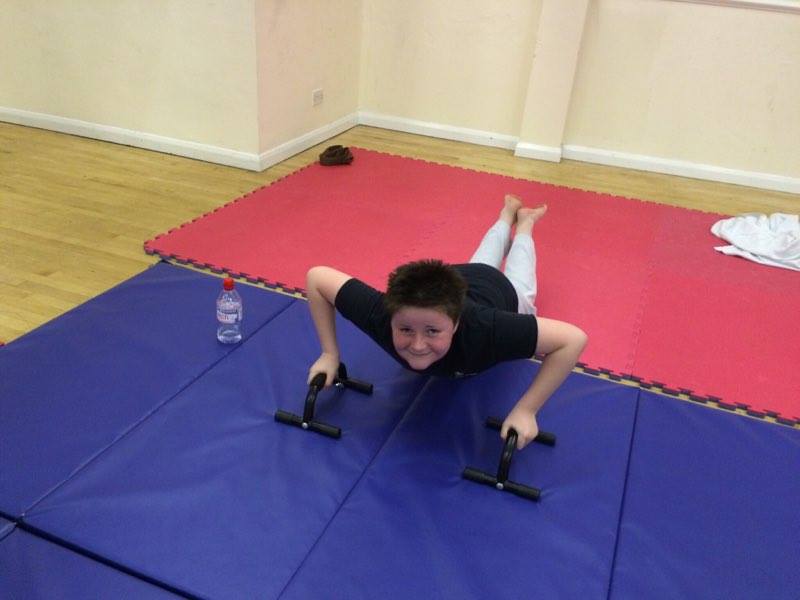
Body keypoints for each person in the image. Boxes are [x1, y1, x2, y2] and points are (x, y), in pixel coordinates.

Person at [305, 194, 588, 450]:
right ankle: (505, 215)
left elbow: (572, 340)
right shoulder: (383, 314)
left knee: (520, 276)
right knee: (483, 260)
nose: (417, 345)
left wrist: (527, 410)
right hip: (460, 279)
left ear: (455, 324)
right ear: (391, 319)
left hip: (503, 295)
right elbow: (317, 277)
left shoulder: (489, 330)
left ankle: (524, 223)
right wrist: (330, 354)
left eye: (432, 332)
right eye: (405, 330)